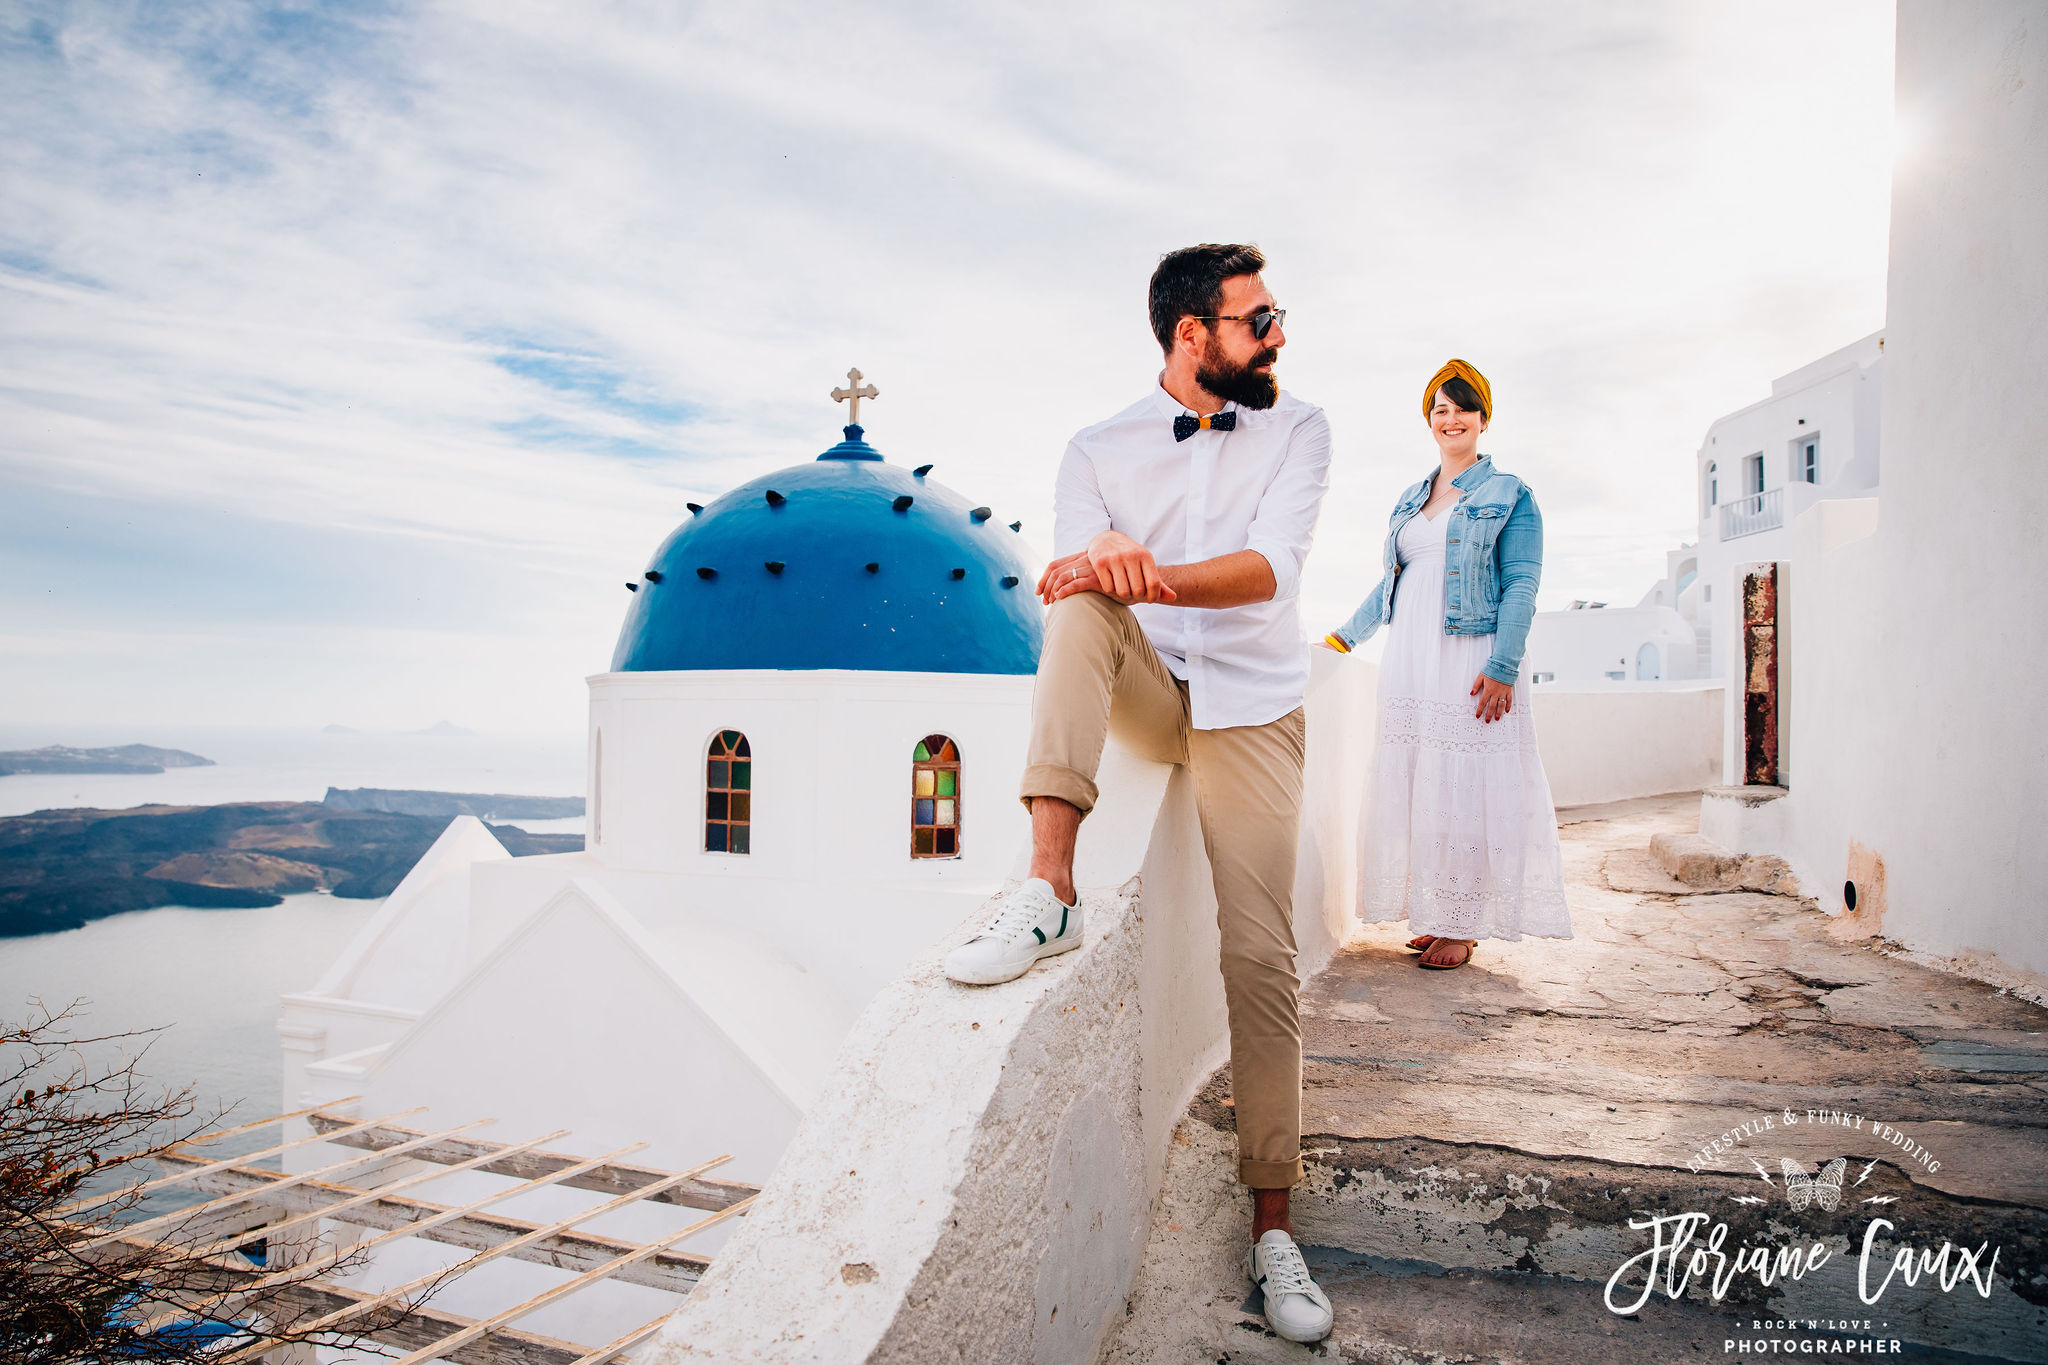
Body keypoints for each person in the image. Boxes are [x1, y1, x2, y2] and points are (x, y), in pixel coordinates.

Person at [941, 243, 1335, 1344]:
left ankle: (1271, 1224)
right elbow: (1076, 581)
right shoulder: (1096, 447)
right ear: (1189, 334)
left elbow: (1270, 569)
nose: (1277, 335)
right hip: (1156, 688)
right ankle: (1050, 889)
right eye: (1257, 320)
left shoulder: (1299, 428)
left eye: (1274, 317)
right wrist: (1101, 557)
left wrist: (1141, 566)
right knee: (1073, 617)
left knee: (1258, 955)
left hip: (1254, 704)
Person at [1322, 359, 1571, 969]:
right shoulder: (1411, 497)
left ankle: (1463, 925)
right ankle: (1435, 915)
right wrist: (1341, 641)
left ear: (1483, 418)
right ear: (1428, 421)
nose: (1451, 418)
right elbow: (1393, 584)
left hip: (1471, 652)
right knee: (1422, 776)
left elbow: (1521, 585)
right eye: (1439, 408)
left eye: (1462, 407)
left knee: (1465, 782)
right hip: (1410, 655)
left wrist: (1505, 665)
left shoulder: (1511, 494)